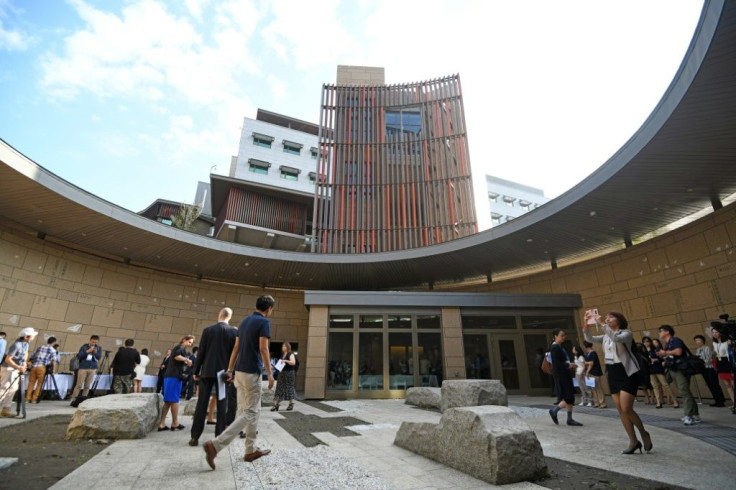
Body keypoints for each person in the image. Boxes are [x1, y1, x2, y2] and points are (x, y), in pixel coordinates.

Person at [202, 295, 276, 469]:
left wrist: (230, 369)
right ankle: (216, 445)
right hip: (252, 373)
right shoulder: (264, 323)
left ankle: (250, 450)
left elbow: (236, 347)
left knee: (249, 410)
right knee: (250, 412)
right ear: (269, 308)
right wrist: (270, 374)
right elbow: (264, 348)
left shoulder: (244, 322)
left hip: (239, 372)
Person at [585, 311, 652, 453]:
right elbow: (590, 339)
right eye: (606, 317)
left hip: (626, 371)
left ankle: (643, 433)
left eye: (611, 317)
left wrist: (602, 324)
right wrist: (586, 324)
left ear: (619, 320)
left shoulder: (626, 333)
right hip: (612, 372)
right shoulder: (605, 336)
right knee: (621, 410)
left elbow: (616, 338)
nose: (607, 319)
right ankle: (633, 441)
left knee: (627, 408)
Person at [189, 308, 237, 447]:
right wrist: (231, 373)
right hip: (223, 374)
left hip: (207, 371)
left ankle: (195, 436)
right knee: (222, 404)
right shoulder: (234, 332)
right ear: (229, 317)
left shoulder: (208, 330)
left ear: (219, 315)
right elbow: (234, 355)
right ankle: (219, 437)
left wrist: (196, 370)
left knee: (202, 403)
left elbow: (201, 352)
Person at [657, 324, 700, 426]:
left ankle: (688, 416)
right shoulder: (667, 343)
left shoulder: (675, 340)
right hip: (673, 369)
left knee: (684, 391)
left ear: (667, 331)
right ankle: (695, 415)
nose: (659, 333)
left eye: (661, 331)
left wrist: (665, 353)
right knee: (684, 391)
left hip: (681, 369)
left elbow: (679, 352)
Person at [158, 336, 194, 431]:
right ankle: (175, 422)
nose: (190, 344)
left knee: (169, 401)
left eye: (191, 343)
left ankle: (162, 424)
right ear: (184, 340)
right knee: (174, 400)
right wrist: (187, 360)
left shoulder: (179, 348)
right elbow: (176, 356)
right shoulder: (180, 347)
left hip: (171, 376)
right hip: (174, 376)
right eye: (189, 342)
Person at [548, 328, 583, 427]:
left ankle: (569, 418)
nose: (564, 337)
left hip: (564, 374)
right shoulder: (555, 347)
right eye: (561, 335)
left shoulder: (559, 346)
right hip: (561, 375)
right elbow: (556, 364)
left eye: (564, 335)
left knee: (570, 397)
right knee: (568, 397)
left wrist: (569, 364)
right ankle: (554, 411)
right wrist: (568, 365)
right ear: (555, 336)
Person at [0, 327, 37, 417]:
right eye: (32, 336)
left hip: (16, 369)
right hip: (8, 368)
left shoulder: (26, 344)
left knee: (13, 389)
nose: (33, 337)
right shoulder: (17, 345)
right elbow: (8, 359)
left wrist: (24, 363)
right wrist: (18, 367)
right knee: (4, 388)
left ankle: (6, 410)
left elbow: (26, 353)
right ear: (26, 337)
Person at [695, 334, 726, 407]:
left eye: (699, 340)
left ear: (703, 340)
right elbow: (697, 359)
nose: (697, 342)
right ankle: (716, 400)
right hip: (703, 369)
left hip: (710, 368)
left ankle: (721, 400)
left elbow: (708, 359)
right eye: (696, 340)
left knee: (714, 384)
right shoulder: (698, 350)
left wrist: (702, 362)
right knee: (710, 385)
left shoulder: (707, 348)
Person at [647, 338, 678, 409]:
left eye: (655, 342)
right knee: (654, 386)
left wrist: (656, 359)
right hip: (650, 370)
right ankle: (658, 402)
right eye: (653, 342)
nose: (654, 343)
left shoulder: (658, 350)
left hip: (658, 369)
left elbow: (664, 358)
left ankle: (674, 400)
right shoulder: (647, 351)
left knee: (665, 384)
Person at [70, 335, 102, 402]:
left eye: (96, 342)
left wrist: (95, 353)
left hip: (92, 368)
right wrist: (87, 351)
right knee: (79, 384)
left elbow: (99, 357)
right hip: (83, 368)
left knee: (87, 386)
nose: (94, 344)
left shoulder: (99, 348)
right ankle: (73, 399)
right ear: (90, 340)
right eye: (93, 342)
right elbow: (79, 356)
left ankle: (83, 400)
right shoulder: (84, 347)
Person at [26, 336, 57, 403]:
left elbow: (32, 356)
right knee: (39, 384)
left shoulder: (40, 347)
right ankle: (34, 399)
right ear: (54, 342)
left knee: (31, 383)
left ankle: (27, 399)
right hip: (42, 367)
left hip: (34, 366)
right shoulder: (53, 350)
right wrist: (54, 370)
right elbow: (54, 361)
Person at [712, 327, 734, 412]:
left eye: (716, 332)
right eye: (713, 332)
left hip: (728, 362)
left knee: (733, 384)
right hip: (720, 363)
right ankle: (734, 403)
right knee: (727, 385)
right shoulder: (714, 343)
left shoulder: (727, 341)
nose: (714, 334)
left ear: (720, 332)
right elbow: (716, 353)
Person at [271, 342, 297, 412]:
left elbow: (293, 362)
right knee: (279, 388)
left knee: (289, 387)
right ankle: (276, 404)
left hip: (289, 373)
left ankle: (291, 403)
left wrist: (285, 360)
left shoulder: (290, 354)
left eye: (284, 346)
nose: (283, 347)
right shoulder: (282, 355)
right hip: (282, 373)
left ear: (288, 347)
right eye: (282, 346)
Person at [583, 341, 606, 408]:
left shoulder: (593, 353)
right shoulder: (588, 353)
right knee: (593, 388)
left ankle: (602, 403)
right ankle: (597, 403)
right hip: (591, 373)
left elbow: (591, 363)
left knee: (598, 388)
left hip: (595, 372)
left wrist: (586, 364)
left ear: (586, 346)